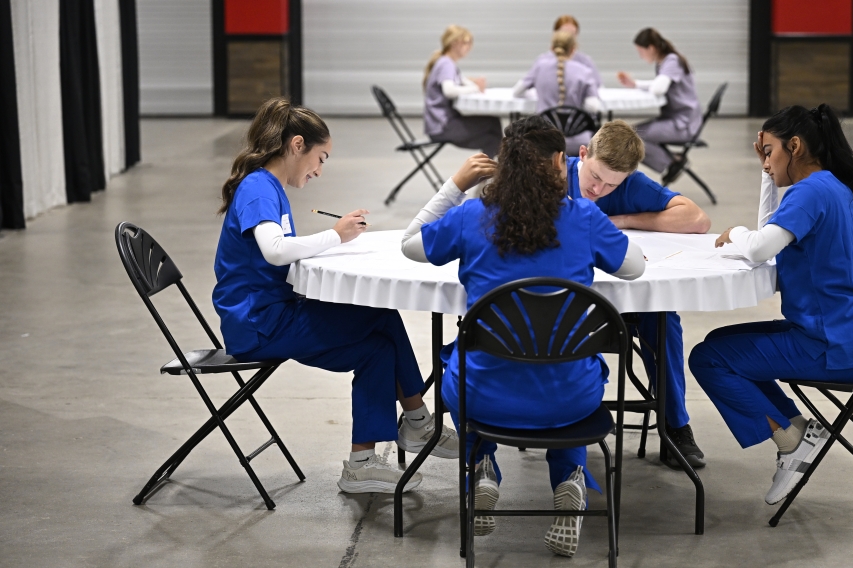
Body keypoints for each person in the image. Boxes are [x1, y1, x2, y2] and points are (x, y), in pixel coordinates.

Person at [401, 117, 645, 558]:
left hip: (483, 397)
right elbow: (635, 268)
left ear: (504, 166)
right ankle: (569, 477)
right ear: (559, 161)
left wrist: (455, 185)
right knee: (566, 368)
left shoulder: (472, 216)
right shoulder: (583, 216)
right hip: (572, 398)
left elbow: (410, 244)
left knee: (463, 363)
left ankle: (482, 465)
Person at [211, 97, 460, 496]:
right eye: (320, 158)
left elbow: (277, 252)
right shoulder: (258, 187)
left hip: (274, 315)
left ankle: (362, 464)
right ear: (296, 145)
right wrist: (336, 235)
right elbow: (275, 250)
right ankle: (417, 422)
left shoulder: (267, 186)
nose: (319, 171)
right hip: (259, 324)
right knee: (381, 315)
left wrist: (333, 241)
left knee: (377, 349)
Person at [689, 104, 853, 506]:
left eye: (770, 152)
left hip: (827, 346)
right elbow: (768, 234)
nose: (766, 162)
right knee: (720, 345)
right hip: (844, 337)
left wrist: (735, 232)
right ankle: (796, 433)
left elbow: (759, 247)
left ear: (795, 146)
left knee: (709, 359)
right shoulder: (829, 186)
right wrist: (766, 172)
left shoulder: (811, 192)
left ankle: (791, 441)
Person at [566, 120, 711, 469]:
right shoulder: (554, 175)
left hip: (618, 300)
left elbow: (697, 219)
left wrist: (623, 220)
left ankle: (675, 425)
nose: (599, 189)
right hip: (560, 300)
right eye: (594, 177)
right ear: (582, 154)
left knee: (661, 317)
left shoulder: (631, 186)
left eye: (611, 184)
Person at [617, 28, 702, 184]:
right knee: (631, 133)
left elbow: (659, 87)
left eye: (641, 51)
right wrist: (635, 84)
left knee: (632, 136)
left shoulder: (671, 61)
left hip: (683, 124)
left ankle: (673, 163)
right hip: (677, 120)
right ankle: (673, 161)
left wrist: (638, 84)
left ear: (651, 48)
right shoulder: (665, 62)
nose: (640, 56)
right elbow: (660, 83)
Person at [513, 31, 602, 154]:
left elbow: (518, 91)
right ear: (573, 49)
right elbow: (593, 106)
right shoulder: (585, 71)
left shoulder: (540, 67)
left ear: (551, 48)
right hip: (578, 142)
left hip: (544, 138)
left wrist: (536, 95)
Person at [423, 25, 503, 158]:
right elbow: (449, 90)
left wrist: (474, 83)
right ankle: (504, 169)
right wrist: (476, 88)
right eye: (466, 43)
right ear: (454, 43)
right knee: (492, 122)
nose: (469, 47)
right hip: (444, 126)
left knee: (492, 140)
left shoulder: (445, 62)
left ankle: (487, 174)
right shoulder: (446, 64)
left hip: (439, 126)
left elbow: (461, 81)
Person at [552, 14, 602, 87]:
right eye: (565, 33)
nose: (568, 38)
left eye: (572, 34)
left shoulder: (585, 61)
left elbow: (598, 85)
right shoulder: (542, 62)